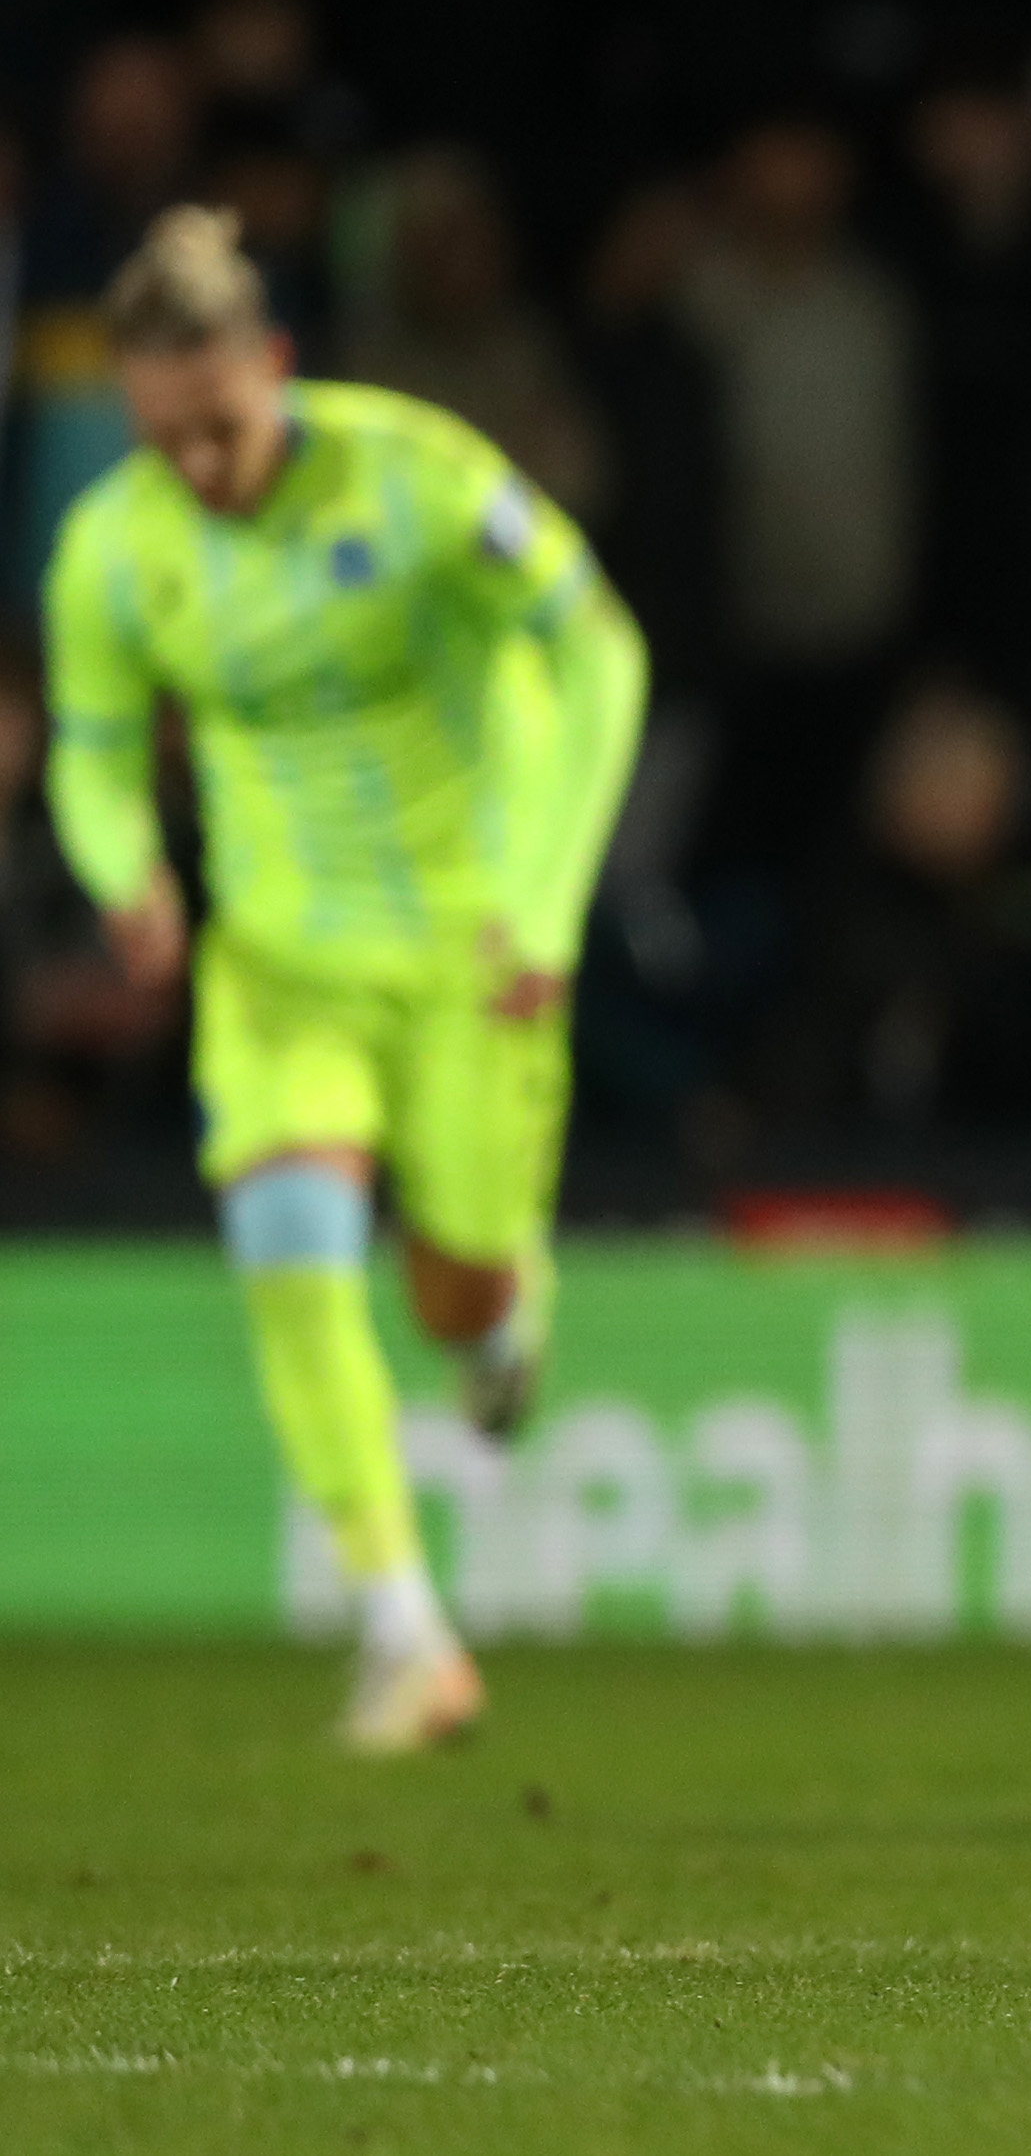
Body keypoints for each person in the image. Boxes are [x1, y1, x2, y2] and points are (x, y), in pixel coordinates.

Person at [42, 208, 648, 1753]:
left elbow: (600, 655)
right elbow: (96, 755)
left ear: (277, 368)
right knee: (288, 1242)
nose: (194, 466)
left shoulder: (421, 474)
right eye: (162, 435)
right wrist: (128, 880)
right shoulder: (113, 548)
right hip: (284, 961)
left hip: (474, 951)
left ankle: (502, 1323)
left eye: (221, 428)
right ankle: (404, 1628)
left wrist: (546, 896)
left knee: (455, 1288)